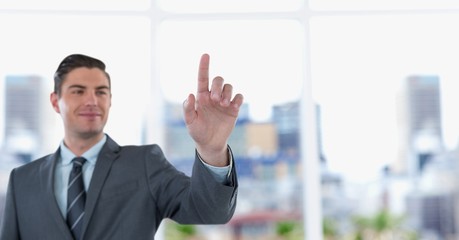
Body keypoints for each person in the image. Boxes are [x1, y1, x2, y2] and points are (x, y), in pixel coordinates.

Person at [0, 53, 244, 240]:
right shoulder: (22, 180)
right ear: (55, 101)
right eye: (78, 91)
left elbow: (211, 212)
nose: (92, 100)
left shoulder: (144, 163)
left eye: (101, 92)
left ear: (110, 100)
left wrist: (212, 149)